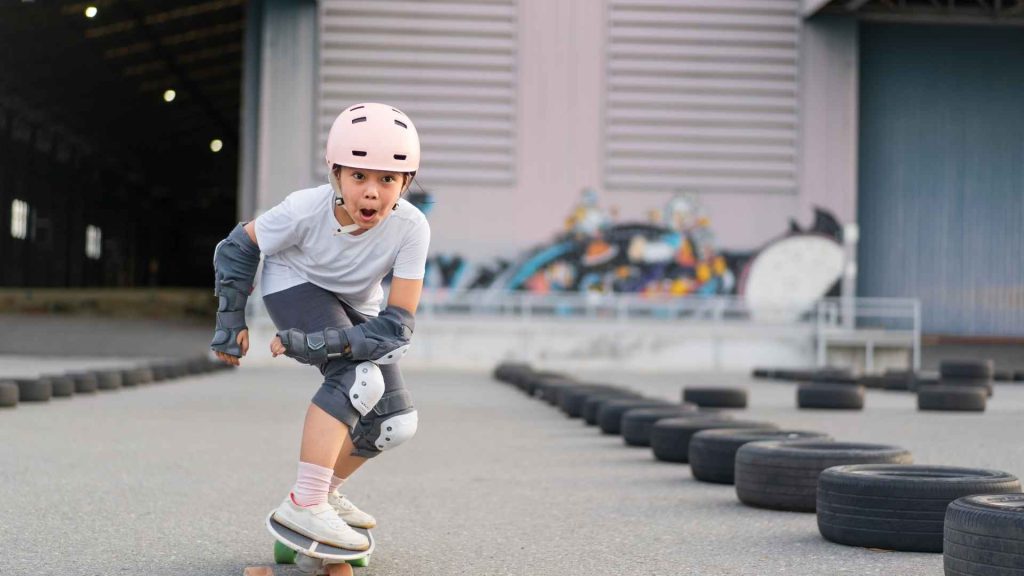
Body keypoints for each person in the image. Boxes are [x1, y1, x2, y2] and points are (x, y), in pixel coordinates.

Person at [210, 103, 429, 570]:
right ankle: (306, 505)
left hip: (358, 305)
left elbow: (397, 324)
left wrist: (317, 345)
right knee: (358, 379)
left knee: (394, 424)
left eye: (387, 180)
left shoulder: (412, 227)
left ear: (405, 183)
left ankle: (318, 496)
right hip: (295, 283)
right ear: (336, 174)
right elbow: (237, 248)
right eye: (358, 177)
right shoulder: (304, 209)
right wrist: (232, 322)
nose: (371, 194)